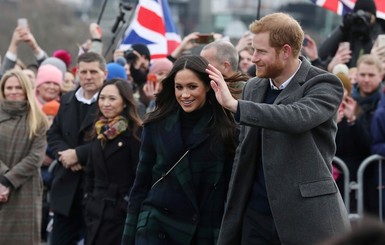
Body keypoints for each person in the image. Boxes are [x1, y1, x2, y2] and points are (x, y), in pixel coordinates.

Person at [206, 12, 350, 245]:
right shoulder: (253, 87)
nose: (253, 58)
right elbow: (244, 148)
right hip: (255, 218)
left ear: (285, 51)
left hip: (306, 219)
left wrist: (236, 105)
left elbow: (295, 117)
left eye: (261, 51)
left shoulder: (323, 84)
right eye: (253, 50)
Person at [122, 55, 237, 245]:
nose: (185, 95)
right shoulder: (155, 125)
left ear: (208, 86)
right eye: (179, 87)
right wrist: (128, 238)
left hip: (204, 231)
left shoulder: (226, 130)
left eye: (192, 87)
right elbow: (140, 185)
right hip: (157, 228)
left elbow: (231, 192)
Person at [47, 52, 107, 245]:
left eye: (93, 71)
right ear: (77, 73)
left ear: (104, 73)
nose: (88, 76)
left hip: (97, 190)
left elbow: (112, 141)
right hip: (66, 190)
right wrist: (65, 156)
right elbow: (53, 134)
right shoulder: (66, 100)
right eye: (83, 72)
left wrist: (78, 155)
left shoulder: (112, 101)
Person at [84, 78, 142, 245]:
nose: (106, 103)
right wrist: (87, 199)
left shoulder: (136, 134)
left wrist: (126, 204)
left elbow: (140, 177)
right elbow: (90, 171)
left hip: (120, 214)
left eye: (112, 98)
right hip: (95, 211)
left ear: (125, 102)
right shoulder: (98, 130)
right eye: (102, 98)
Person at [0, 69, 49, 244]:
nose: (13, 92)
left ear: (26, 89)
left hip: (25, 188)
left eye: (18, 87)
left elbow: (36, 157)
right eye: (9, 88)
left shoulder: (38, 119)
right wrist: (2, 177)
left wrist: (7, 181)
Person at [318, 0, 385, 69]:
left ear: (374, 17)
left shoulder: (380, 34)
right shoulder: (347, 30)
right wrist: (343, 28)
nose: (363, 18)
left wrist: (367, 36)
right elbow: (321, 54)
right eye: (360, 14)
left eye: (368, 15)